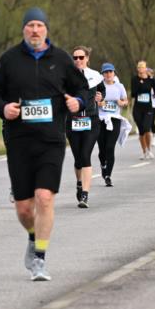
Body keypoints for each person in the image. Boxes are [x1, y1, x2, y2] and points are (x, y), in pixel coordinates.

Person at [0, 7, 87, 282]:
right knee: (24, 208)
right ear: (23, 29)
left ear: (46, 30)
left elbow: (83, 89)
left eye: (39, 25)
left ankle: (40, 258)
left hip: (52, 141)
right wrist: (3, 108)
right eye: (30, 25)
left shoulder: (62, 59)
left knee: (44, 197)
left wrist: (79, 102)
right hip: (19, 142)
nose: (34, 30)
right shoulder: (9, 60)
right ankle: (32, 236)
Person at [66, 46, 104, 209]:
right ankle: (79, 183)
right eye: (75, 58)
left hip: (91, 120)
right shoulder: (67, 76)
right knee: (78, 159)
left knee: (86, 155)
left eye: (81, 57)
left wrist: (101, 97)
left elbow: (102, 92)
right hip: (73, 121)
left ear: (87, 58)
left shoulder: (95, 76)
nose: (78, 60)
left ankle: (85, 195)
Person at [96, 62, 127, 187]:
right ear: (102, 74)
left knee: (110, 147)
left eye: (110, 72)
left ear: (114, 73)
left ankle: (108, 175)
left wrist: (121, 102)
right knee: (102, 149)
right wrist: (99, 103)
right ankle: (103, 164)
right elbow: (93, 101)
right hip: (100, 120)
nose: (108, 74)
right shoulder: (98, 86)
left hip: (114, 119)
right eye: (106, 72)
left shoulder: (119, 86)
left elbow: (125, 101)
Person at [130, 61, 155, 160]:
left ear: (146, 68)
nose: (141, 69)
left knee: (147, 128)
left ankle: (149, 149)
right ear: (137, 69)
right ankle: (144, 151)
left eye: (142, 67)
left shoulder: (151, 80)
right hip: (137, 109)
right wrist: (140, 84)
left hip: (148, 108)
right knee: (141, 131)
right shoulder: (134, 79)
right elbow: (133, 94)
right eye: (139, 67)